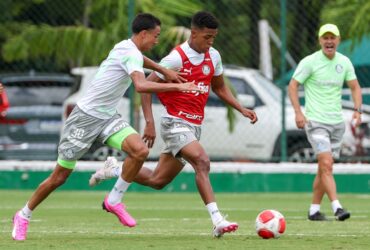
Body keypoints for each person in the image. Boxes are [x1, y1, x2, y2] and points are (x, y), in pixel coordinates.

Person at [11, 13, 203, 241]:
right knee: (59, 177)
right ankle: (23, 215)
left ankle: (113, 200)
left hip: (108, 118)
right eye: (156, 36)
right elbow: (141, 86)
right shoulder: (130, 53)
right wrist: (177, 87)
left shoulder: (125, 47)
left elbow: (141, 58)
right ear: (144, 34)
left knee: (140, 150)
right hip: (83, 118)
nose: (157, 41)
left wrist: (163, 70)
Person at [89, 11, 258, 237]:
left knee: (157, 180)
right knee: (202, 162)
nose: (210, 42)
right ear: (194, 33)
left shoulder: (214, 56)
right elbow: (146, 87)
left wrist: (241, 108)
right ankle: (217, 219)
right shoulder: (176, 58)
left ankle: (116, 169)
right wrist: (149, 123)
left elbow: (219, 87)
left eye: (213, 38)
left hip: (194, 126)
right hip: (174, 122)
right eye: (207, 37)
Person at [288, 23, 362, 221]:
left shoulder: (344, 62)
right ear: (320, 40)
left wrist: (357, 110)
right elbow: (293, 86)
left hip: (337, 124)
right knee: (326, 164)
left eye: (333, 37)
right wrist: (298, 113)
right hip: (316, 122)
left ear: (338, 40)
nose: (329, 41)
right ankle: (337, 207)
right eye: (325, 37)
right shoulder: (310, 62)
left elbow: (355, 87)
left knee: (324, 167)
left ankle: (314, 210)